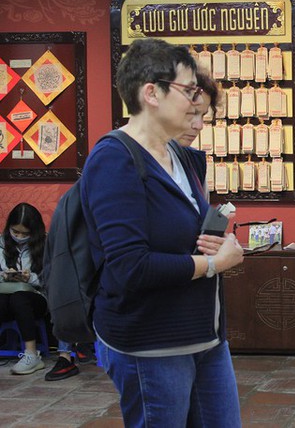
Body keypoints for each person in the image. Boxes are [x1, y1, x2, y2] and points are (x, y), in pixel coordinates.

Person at [80, 38, 244, 427]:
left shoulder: (180, 157)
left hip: (205, 337)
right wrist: (210, 264)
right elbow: (130, 268)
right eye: (188, 90)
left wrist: (218, 243)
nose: (195, 101)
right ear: (152, 93)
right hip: (152, 345)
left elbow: (186, 233)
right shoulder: (114, 160)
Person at [0, 203, 47, 375]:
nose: (19, 237)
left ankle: (31, 354)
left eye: (25, 234)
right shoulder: (1, 244)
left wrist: (30, 278)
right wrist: (4, 276)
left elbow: (51, 280)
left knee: (19, 297)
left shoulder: (45, 245)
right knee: (7, 299)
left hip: (36, 298)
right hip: (5, 296)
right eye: (15, 232)